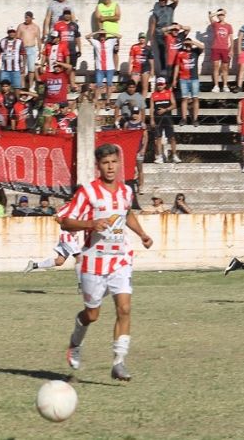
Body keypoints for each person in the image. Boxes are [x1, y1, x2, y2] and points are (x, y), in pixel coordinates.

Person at [58, 143, 154, 381]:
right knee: (92, 315)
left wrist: (141, 234)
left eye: (113, 162)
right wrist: (90, 224)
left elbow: (127, 213)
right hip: (93, 262)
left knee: (125, 308)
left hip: (120, 259)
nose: (110, 167)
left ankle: (119, 362)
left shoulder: (125, 192)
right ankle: (75, 342)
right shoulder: (88, 193)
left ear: (119, 163)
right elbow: (65, 221)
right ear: (98, 166)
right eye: (105, 163)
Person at [24, 208, 82, 288]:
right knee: (79, 258)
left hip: (73, 237)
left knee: (59, 261)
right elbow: (57, 218)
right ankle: (81, 285)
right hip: (67, 237)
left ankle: (34, 265)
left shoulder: (81, 205)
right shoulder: (69, 206)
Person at [173, 37, 204, 127]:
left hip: (194, 78)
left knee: (195, 98)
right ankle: (184, 118)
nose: (187, 46)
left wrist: (192, 42)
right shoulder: (180, 53)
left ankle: (195, 119)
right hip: (183, 78)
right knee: (184, 98)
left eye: (188, 44)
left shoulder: (195, 52)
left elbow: (202, 47)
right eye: (186, 44)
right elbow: (177, 67)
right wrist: (175, 79)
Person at [148, 0, 178, 77]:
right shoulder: (156, 12)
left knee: (171, 50)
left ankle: (172, 68)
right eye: (161, 0)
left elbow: (176, 1)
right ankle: (164, 69)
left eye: (164, 0)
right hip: (159, 34)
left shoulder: (170, 8)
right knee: (162, 50)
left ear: (167, 0)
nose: (162, 1)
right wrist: (151, 38)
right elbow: (153, 25)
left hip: (170, 33)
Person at [149, 76, 179, 164]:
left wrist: (165, 110)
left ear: (165, 85)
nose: (160, 86)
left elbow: (174, 105)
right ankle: (159, 157)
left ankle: (174, 155)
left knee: (172, 138)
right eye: (158, 84)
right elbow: (151, 108)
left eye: (161, 84)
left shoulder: (169, 93)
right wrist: (151, 119)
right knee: (158, 138)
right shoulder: (153, 95)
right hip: (158, 119)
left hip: (168, 118)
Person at [86, 31, 120, 104]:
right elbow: (87, 37)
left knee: (109, 84)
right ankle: (96, 99)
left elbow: (119, 36)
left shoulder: (110, 41)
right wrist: (97, 32)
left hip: (109, 67)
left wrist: (108, 32)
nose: (102, 38)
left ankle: (108, 100)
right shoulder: (96, 43)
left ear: (105, 37)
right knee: (98, 84)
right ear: (99, 37)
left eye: (103, 36)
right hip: (100, 68)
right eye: (101, 36)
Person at [123, 106, 148, 194]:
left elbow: (145, 137)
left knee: (140, 168)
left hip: (139, 149)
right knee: (131, 168)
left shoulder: (142, 125)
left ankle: (141, 186)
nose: (135, 115)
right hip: (130, 150)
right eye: (133, 113)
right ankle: (131, 185)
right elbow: (124, 137)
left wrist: (143, 148)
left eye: (136, 113)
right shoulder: (127, 124)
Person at [207, 9, 233, 93]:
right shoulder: (215, 24)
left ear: (225, 16)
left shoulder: (229, 26)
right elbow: (210, 17)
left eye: (222, 15)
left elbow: (231, 39)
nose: (221, 16)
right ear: (218, 16)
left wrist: (231, 49)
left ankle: (225, 85)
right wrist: (218, 12)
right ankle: (216, 85)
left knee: (225, 68)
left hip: (225, 49)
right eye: (220, 15)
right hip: (215, 48)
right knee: (216, 67)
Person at [95, 0, 121, 67]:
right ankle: (105, 68)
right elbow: (98, 18)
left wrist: (105, 18)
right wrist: (101, 30)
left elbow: (117, 17)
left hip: (114, 33)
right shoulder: (99, 6)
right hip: (104, 34)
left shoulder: (115, 5)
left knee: (115, 52)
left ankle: (116, 70)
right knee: (104, 53)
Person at [16, 11, 41, 89]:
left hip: (32, 48)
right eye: (25, 17)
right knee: (22, 68)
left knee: (31, 69)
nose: (26, 19)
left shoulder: (36, 27)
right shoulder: (21, 26)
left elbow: (38, 39)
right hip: (22, 49)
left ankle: (30, 86)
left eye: (27, 17)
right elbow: (17, 38)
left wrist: (40, 51)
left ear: (31, 18)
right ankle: (22, 86)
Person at [128, 32, 154, 98]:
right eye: (140, 38)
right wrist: (129, 68)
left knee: (145, 86)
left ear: (145, 39)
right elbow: (131, 58)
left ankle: (142, 103)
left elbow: (151, 59)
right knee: (132, 86)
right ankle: (132, 101)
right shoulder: (134, 47)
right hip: (136, 68)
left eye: (143, 38)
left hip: (145, 68)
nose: (142, 39)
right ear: (138, 39)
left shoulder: (149, 48)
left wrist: (152, 70)